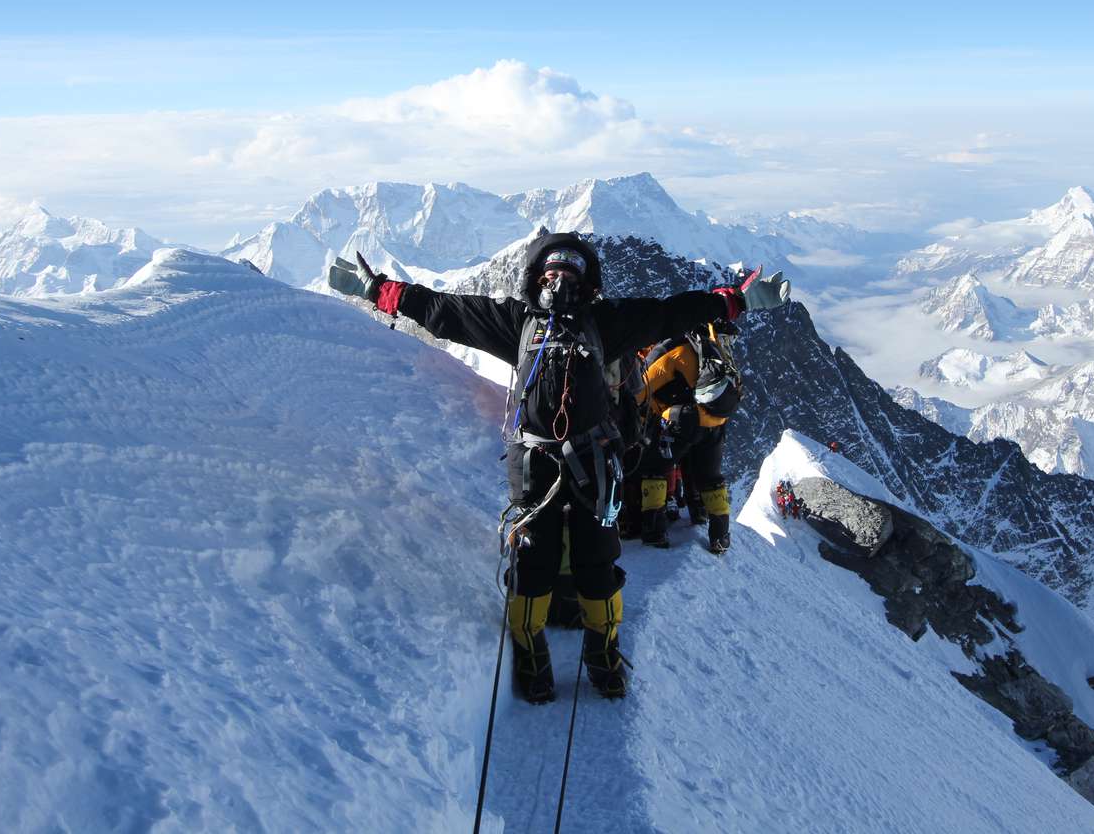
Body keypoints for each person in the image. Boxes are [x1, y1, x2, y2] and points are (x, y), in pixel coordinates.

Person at [328, 233, 789, 702]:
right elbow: (443, 310)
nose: (559, 276)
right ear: (537, 277)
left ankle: (598, 659)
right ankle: (546, 662)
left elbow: (673, 312)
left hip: (570, 464)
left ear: (587, 282)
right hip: (555, 466)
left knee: (597, 565)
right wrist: (379, 291)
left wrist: (734, 301)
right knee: (535, 566)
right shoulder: (526, 321)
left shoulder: (597, 322)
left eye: (570, 269)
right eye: (552, 269)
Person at [637, 319, 744, 553]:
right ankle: (720, 536)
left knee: (655, 468)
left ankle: (654, 531)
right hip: (715, 424)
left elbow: (643, 383)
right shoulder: (719, 353)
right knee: (711, 477)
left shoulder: (678, 347)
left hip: (681, 419)